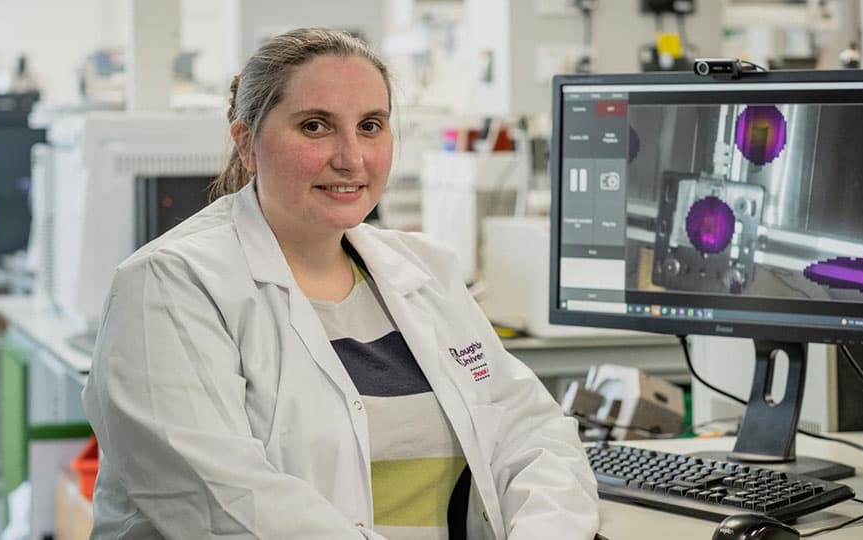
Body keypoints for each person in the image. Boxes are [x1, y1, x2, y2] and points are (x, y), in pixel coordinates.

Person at [82, 28, 598, 539]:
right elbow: (228, 506)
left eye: (371, 125)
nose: (351, 157)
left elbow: (532, 435)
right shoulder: (170, 285)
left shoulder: (423, 271)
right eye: (315, 127)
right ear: (246, 142)